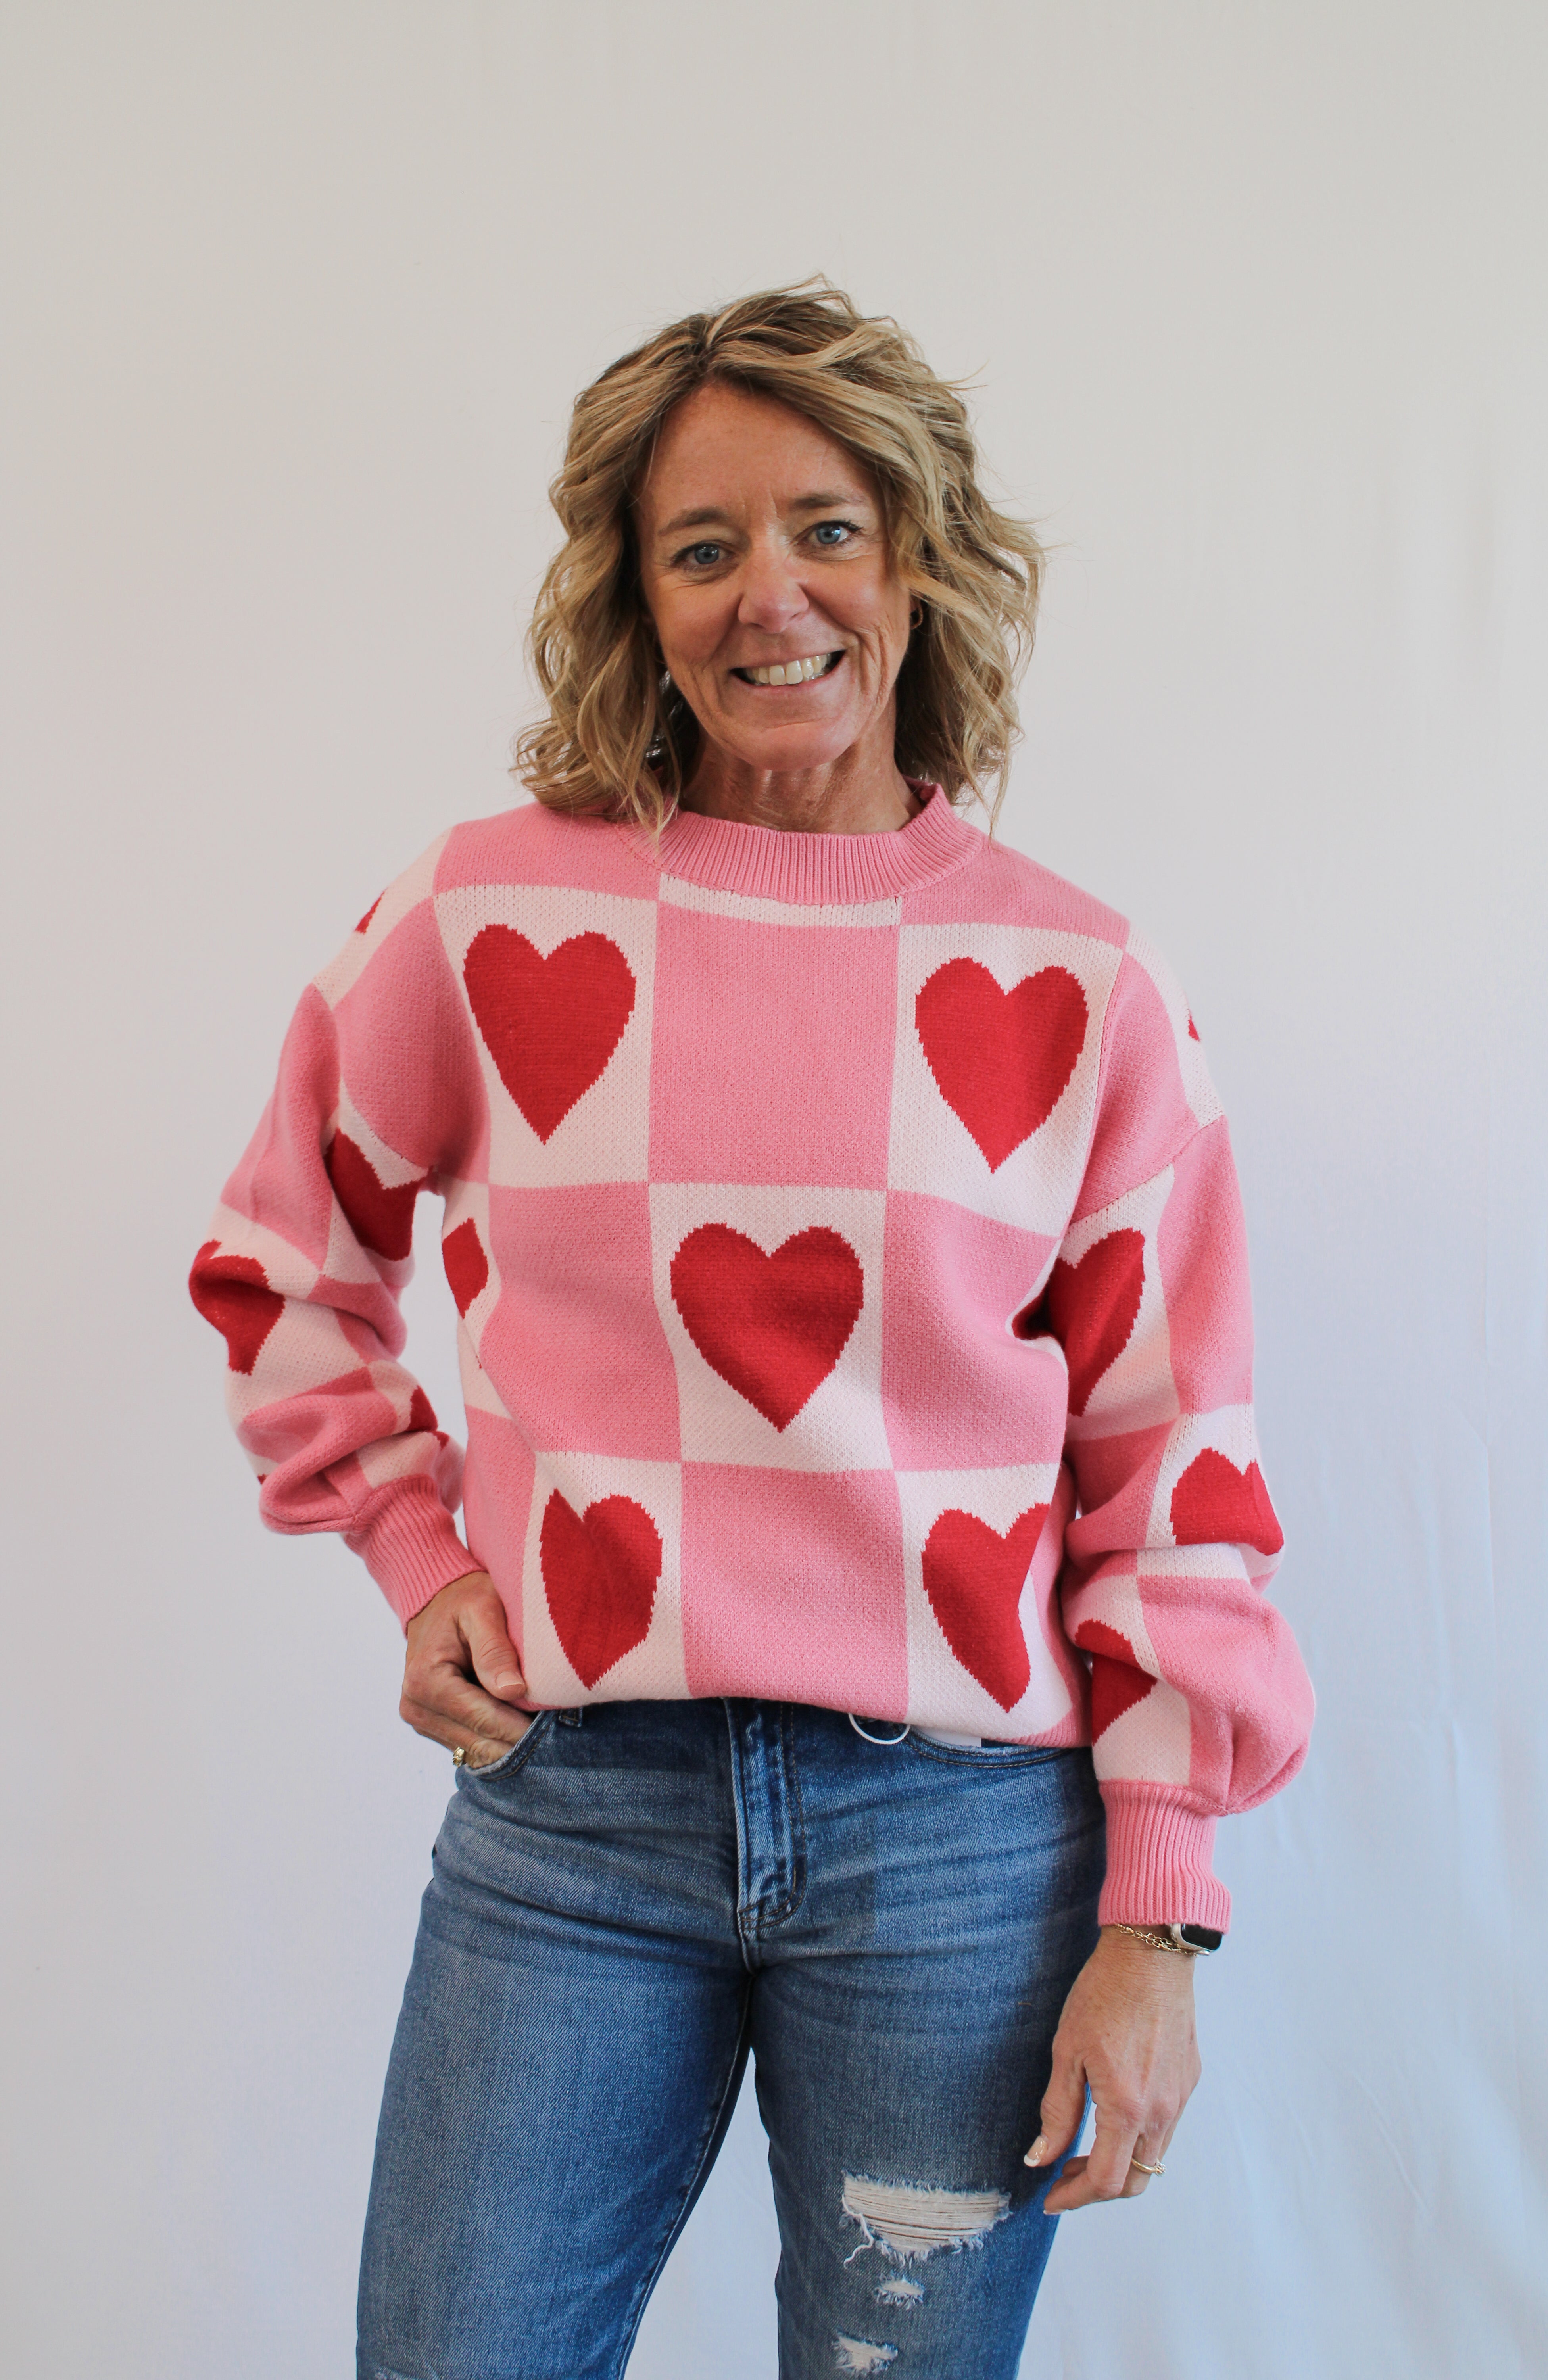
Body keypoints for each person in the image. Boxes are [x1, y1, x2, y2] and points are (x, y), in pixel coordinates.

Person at [192, 282, 1313, 2380]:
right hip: (574, 1819)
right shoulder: (488, 916)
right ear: (638, 597)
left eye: (827, 529)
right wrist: (418, 1554)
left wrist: (1161, 1912)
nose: (769, 595)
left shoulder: (1080, 986)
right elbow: (284, 1258)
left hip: (961, 1854)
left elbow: (1176, 1466)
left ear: (918, 559)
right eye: (702, 546)